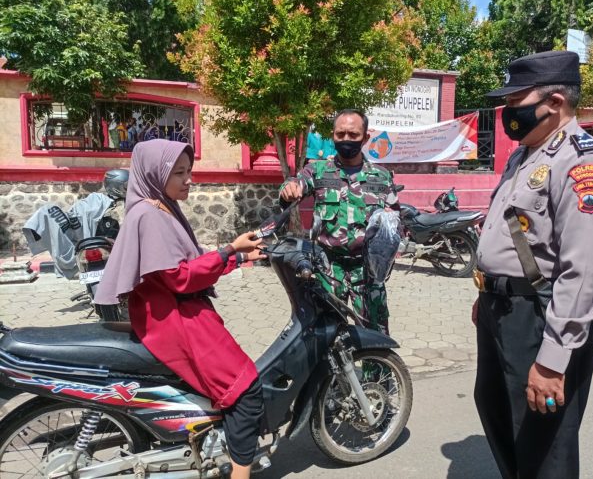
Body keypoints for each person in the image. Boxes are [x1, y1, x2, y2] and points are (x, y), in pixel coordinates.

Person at [472, 51, 593, 479]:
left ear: (556, 102)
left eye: (516, 102)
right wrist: (487, 291)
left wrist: (553, 361)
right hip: (500, 309)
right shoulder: (525, 154)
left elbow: (583, 271)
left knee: (544, 444)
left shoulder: (582, 163)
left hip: (542, 317)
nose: (508, 113)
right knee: (499, 412)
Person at [95, 139, 265, 479]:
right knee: (245, 389)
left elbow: (189, 260)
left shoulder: (161, 206)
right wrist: (230, 248)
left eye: (190, 172)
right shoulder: (150, 214)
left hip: (179, 310)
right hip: (176, 318)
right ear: (156, 173)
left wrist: (239, 257)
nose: (189, 180)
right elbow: (180, 277)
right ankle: (241, 473)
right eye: (179, 173)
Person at [279, 109, 398, 335]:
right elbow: (296, 184)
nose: (346, 140)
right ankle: (334, 372)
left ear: (365, 138)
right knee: (327, 334)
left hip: (368, 272)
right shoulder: (318, 170)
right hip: (328, 270)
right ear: (332, 135)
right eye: (340, 134)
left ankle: (378, 371)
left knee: (376, 334)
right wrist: (289, 188)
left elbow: (393, 220)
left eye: (353, 135)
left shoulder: (381, 176)